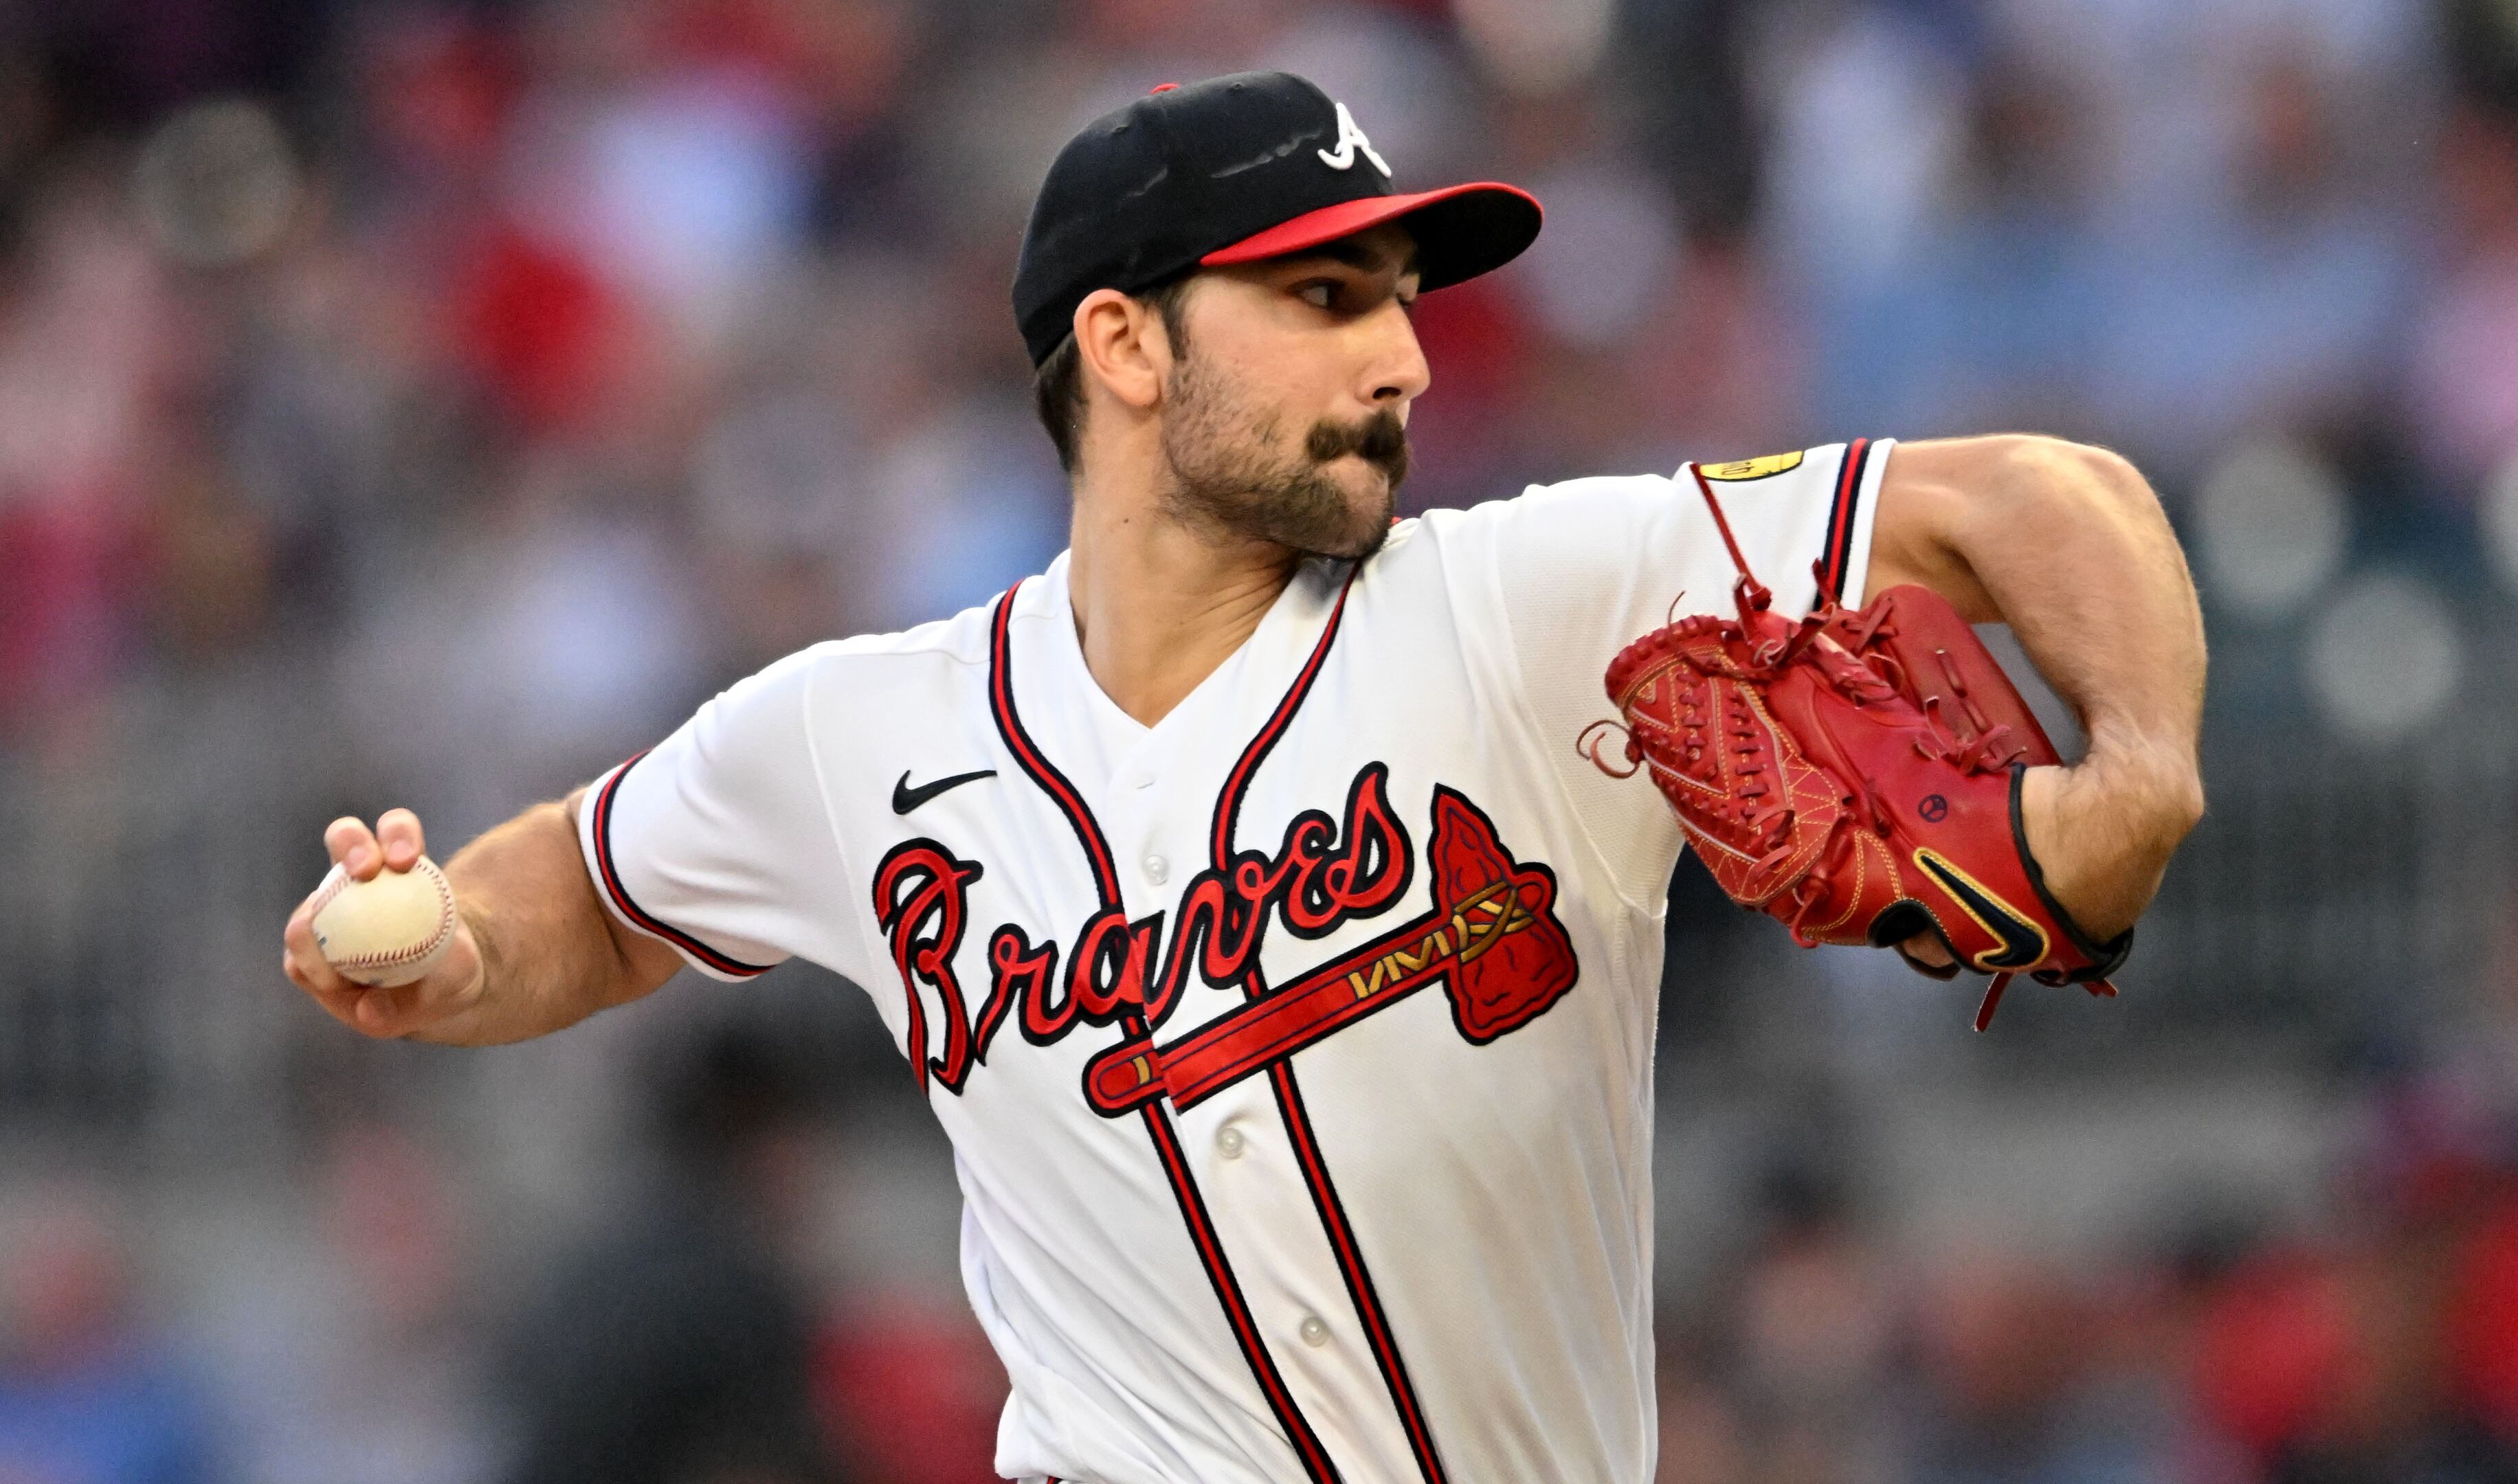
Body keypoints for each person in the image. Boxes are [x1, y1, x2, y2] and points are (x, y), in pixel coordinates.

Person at [282, 71, 2205, 1484]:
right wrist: (454, 945)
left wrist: (2138, 777)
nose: (1401, 360)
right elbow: (597, 893)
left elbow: (2040, 498)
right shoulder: (858, 736)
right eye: (1321, 298)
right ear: (1119, 344)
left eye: (1396, 297)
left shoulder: (1536, 603)